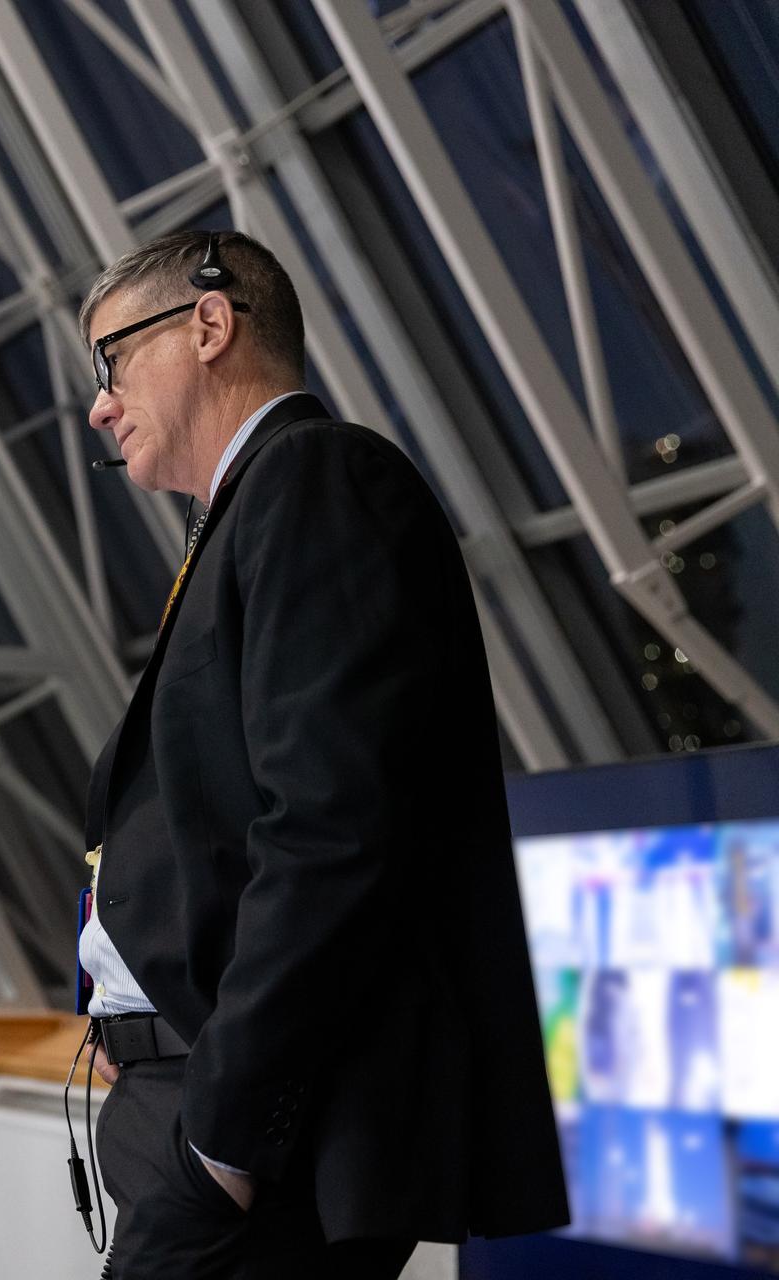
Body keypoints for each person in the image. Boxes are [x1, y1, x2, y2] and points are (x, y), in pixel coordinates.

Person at [73, 229, 568, 1278]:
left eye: (112, 361)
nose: (100, 405)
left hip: (253, 1134)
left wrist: (224, 1145)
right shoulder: (248, 514)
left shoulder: (316, 478)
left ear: (208, 324)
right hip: (198, 1108)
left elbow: (330, 829)